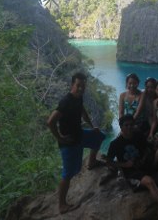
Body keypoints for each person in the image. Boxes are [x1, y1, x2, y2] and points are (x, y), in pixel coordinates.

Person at [106, 114, 158, 220]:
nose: (129, 127)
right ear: (121, 127)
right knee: (149, 181)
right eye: (126, 125)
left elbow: (148, 146)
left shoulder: (138, 134)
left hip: (144, 164)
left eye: (131, 125)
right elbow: (109, 162)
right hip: (132, 172)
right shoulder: (115, 144)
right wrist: (124, 164)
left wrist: (154, 143)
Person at [47, 72, 106, 214]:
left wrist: (92, 126)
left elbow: (83, 111)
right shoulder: (66, 102)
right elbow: (50, 122)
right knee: (68, 174)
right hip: (69, 142)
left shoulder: (78, 98)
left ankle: (92, 162)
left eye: (83, 86)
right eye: (78, 85)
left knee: (99, 136)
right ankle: (62, 205)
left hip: (80, 135)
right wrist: (60, 138)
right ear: (72, 85)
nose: (81, 88)